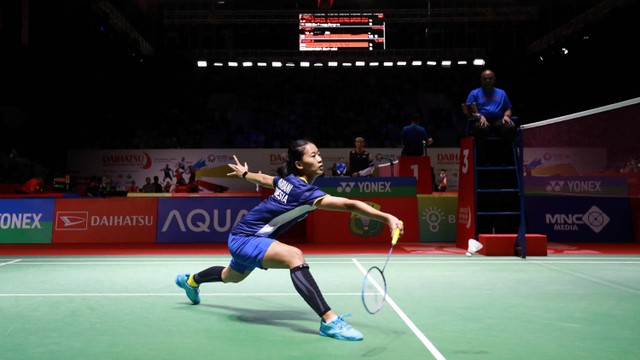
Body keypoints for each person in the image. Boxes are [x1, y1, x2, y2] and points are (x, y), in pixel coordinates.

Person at [175, 139, 404, 341]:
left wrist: (245, 174)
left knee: (230, 276)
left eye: (319, 153)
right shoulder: (303, 191)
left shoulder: (290, 181)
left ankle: (191, 281)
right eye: (313, 155)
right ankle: (329, 321)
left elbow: (266, 179)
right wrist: (387, 217)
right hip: (247, 238)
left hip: (244, 238)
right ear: (299, 164)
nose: (320, 158)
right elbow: (349, 204)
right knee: (294, 256)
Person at [465, 69, 516, 164]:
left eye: (490, 78)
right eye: (485, 79)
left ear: (494, 79)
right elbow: (468, 110)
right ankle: (482, 159)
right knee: (481, 130)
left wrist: (506, 115)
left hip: (498, 120)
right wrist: (479, 116)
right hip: (481, 120)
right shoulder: (474, 93)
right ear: (481, 80)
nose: (487, 81)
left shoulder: (502, 93)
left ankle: (504, 158)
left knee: (510, 128)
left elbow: (508, 109)